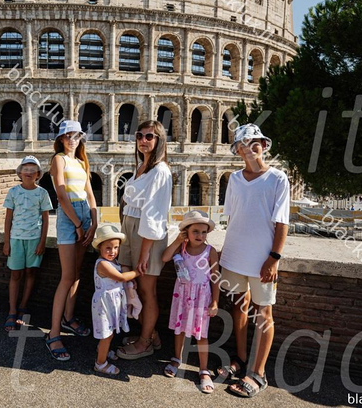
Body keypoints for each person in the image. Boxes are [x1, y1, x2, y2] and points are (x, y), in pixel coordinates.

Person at [217, 124, 290, 398]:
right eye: (243, 144)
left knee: (264, 313)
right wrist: (224, 254)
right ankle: (241, 358)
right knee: (238, 307)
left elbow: (282, 222)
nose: (249, 147)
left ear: (263, 144)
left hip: (263, 259)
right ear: (237, 150)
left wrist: (274, 258)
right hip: (235, 255)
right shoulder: (234, 179)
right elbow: (233, 219)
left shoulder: (278, 179)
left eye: (254, 141)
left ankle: (258, 373)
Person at [117, 120, 172, 360]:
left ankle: (145, 342)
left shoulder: (160, 171)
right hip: (131, 229)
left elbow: (154, 213)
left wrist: (145, 252)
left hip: (146, 235)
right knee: (134, 287)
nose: (143, 140)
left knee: (147, 291)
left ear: (159, 140)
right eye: (140, 135)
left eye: (150, 136)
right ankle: (150, 334)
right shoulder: (142, 166)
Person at [45, 120, 99, 360]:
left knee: (77, 274)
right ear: (61, 139)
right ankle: (53, 334)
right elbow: (61, 193)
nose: (71, 139)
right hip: (69, 217)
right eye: (67, 135)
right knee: (67, 277)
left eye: (75, 135)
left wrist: (93, 221)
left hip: (85, 215)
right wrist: (77, 223)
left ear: (80, 138)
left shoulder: (81, 162)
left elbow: (90, 194)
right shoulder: (59, 159)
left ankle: (69, 318)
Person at [160, 210, 219, 393]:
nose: (200, 236)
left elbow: (216, 278)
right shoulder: (182, 247)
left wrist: (215, 302)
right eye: (195, 231)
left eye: (203, 232)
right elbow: (164, 257)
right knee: (180, 329)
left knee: (201, 334)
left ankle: (203, 369)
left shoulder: (211, 252)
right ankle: (177, 358)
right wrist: (178, 240)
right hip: (182, 295)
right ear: (186, 231)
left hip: (202, 298)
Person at [2, 156, 53, 332]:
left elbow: (46, 220)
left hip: (34, 239)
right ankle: (12, 310)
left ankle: (23, 306)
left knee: (31, 272)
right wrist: (6, 242)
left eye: (33, 170)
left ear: (38, 174)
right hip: (16, 239)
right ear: (20, 173)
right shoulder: (13, 192)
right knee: (15, 274)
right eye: (26, 170)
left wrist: (42, 242)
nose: (29, 173)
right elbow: (8, 219)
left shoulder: (42, 193)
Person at [91, 225, 141, 376]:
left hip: (111, 303)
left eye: (116, 248)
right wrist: (136, 273)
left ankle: (103, 351)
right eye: (108, 248)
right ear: (99, 248)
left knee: (110, 331)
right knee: (107, 334)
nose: (112, 252)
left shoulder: (113, 262)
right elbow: (120, 277)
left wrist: (129, 281)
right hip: (103, 305)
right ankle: (100, 363)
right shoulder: (102, 264)